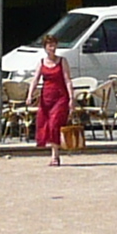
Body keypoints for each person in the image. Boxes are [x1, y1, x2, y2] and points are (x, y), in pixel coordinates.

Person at [32, 33, 73, 167]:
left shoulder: (62, 61)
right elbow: (35, 79)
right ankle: (53, 152)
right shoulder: (41, 62)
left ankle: (55, 156)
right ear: (45, 47)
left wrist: (71, 98)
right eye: (50, 45)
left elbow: (67, 80)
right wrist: (30, 94)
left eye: (54, 45)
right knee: (45, 125)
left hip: (60, 96)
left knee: (55, 124)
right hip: (46, 97)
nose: (53, 48)